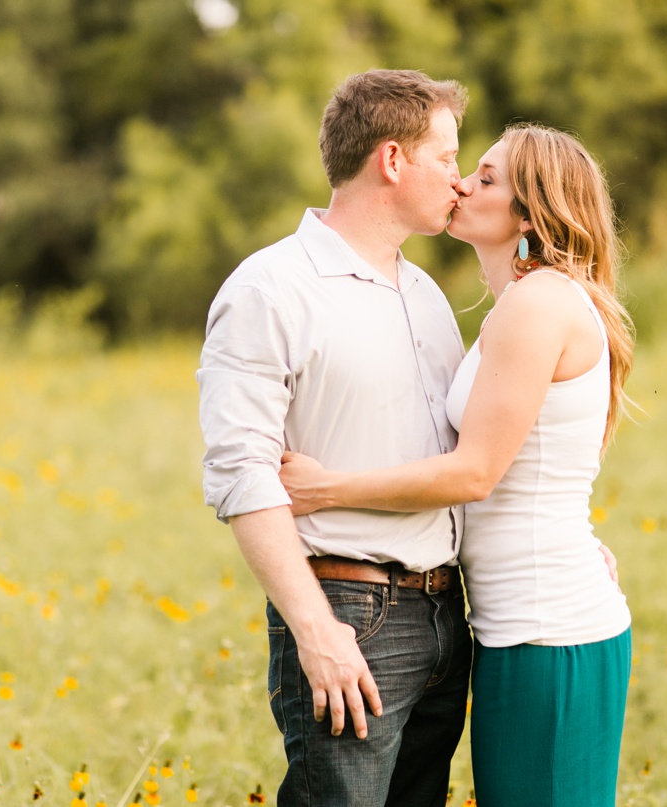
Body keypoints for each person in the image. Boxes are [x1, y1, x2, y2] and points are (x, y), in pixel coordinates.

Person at [280, 123, 636, 807]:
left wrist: (328, 488)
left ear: (530, 213)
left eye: (487, 177)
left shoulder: (536, 305)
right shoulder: (525, 302)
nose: (463, 183)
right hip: (520, 627)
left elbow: (476, 473)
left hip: (547, 633)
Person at [197, 69, 474, 807]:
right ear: (392, 159)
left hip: (448, 614)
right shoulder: (269, 290)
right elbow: (241, 475)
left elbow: (460, 458)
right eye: (446, 157)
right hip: (350, 615)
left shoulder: (426, 293)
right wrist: (316, 631)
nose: (460, 178)